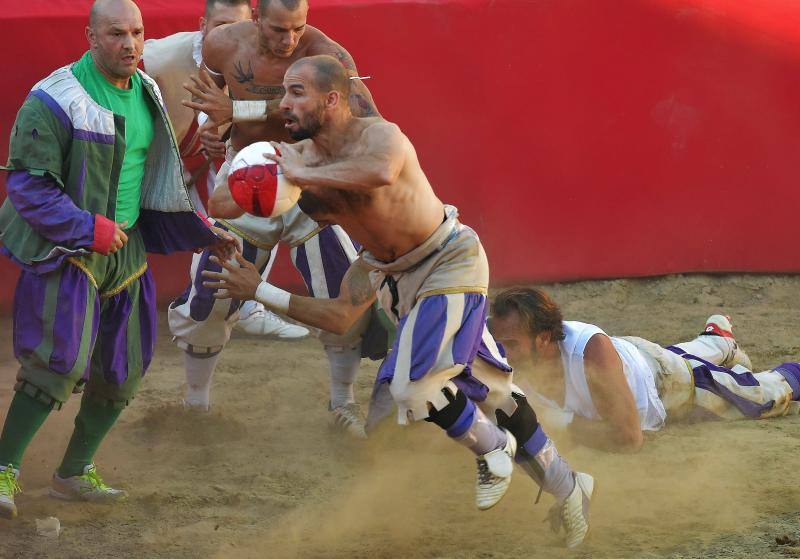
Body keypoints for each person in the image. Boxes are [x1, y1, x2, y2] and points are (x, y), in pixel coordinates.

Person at [202, 55, 594, 548]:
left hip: (448, 258)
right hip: (391, 276)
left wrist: (305, 171)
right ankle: (568, 486)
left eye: (296, 91)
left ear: (332, 99)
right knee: (491, 394)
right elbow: (224, 207)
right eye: (283, 92)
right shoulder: (298, 162)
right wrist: (237, 160)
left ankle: (494, 451)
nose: (285, 103)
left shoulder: (378, 136)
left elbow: (381, 173)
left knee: (414, 389)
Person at [0, 0, 224, 519]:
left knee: (123, 369)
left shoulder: (147, 91)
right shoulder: (54, 99)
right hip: (69, 249)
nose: (129, 43)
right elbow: (28, 186)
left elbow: (162, 174)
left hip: (128, 250)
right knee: (57, 363)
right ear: (91, 37)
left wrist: (204, 231)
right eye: (116, 34)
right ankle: (4, 468)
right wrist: (86, 227)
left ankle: (73, 473)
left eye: (137, 33)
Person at [166, 0, 386, 434]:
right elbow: (214, 104)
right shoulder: (222, 45)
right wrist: (218, 130)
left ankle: (343, 403)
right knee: (211, 290)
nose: (289, 40)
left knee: (340, 288)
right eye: (278, 30)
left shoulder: (327, 55)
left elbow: (369, 121)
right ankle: (196, 408)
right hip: (246, 176)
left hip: (314, 177)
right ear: (255, 18)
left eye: (297, 29)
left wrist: (242, 112)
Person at [143, 0, 310, 354]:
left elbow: (242, 111)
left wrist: (217, 128)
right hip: (155, 164)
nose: (228, 33)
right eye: (220, 26)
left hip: (213, 160)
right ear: (202, 24)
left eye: (238, 26)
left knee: (255, 204)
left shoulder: (258, 55)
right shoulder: (159, 57)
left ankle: (244, 306)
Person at [490, 287, 800, 452]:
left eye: (511, 343)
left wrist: (565, 425)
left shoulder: (589, 354)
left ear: (544, 338)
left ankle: (790, 373)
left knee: (762, 397)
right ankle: (717, 341)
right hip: (634, 359)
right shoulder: (514, 360)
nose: (502, 353)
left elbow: (628, 439)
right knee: (671, 359)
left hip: (667, 384)